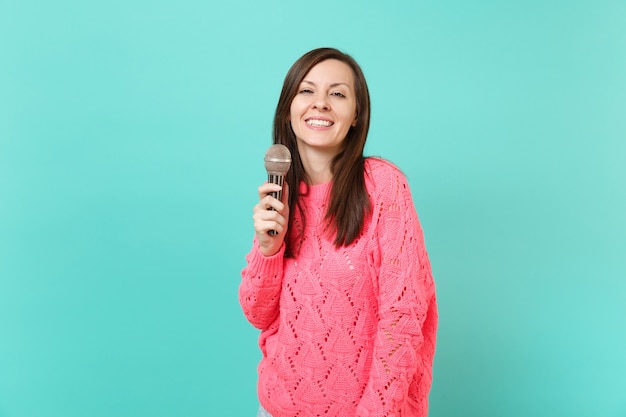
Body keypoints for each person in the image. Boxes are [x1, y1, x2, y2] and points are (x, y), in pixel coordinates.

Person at [239, 47, 438, 417]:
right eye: (307, 91)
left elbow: (404, 313)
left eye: (337, 93)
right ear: (288, 109)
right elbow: (258, 314)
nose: (321, 104)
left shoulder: (383, 187)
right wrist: (269, 249)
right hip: (277, 407)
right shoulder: (280, 193)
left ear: (355, 115)